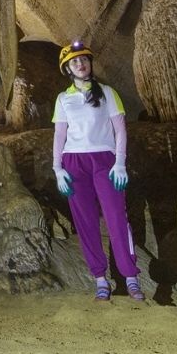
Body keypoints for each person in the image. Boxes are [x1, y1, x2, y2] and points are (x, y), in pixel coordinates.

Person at [51, 41, 144, 302]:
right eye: (74, 62)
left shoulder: (107, 93)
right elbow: (59, 134)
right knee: (85, 222)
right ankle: (100, 279)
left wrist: (120, 162)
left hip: (105, 160)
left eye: (84, 60)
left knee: (117, 217)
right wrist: (57, 168)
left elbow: (120, 129)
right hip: (73, 163)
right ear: (67, 69)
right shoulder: (63, 99)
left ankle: (131, 276)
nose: (80, 64)